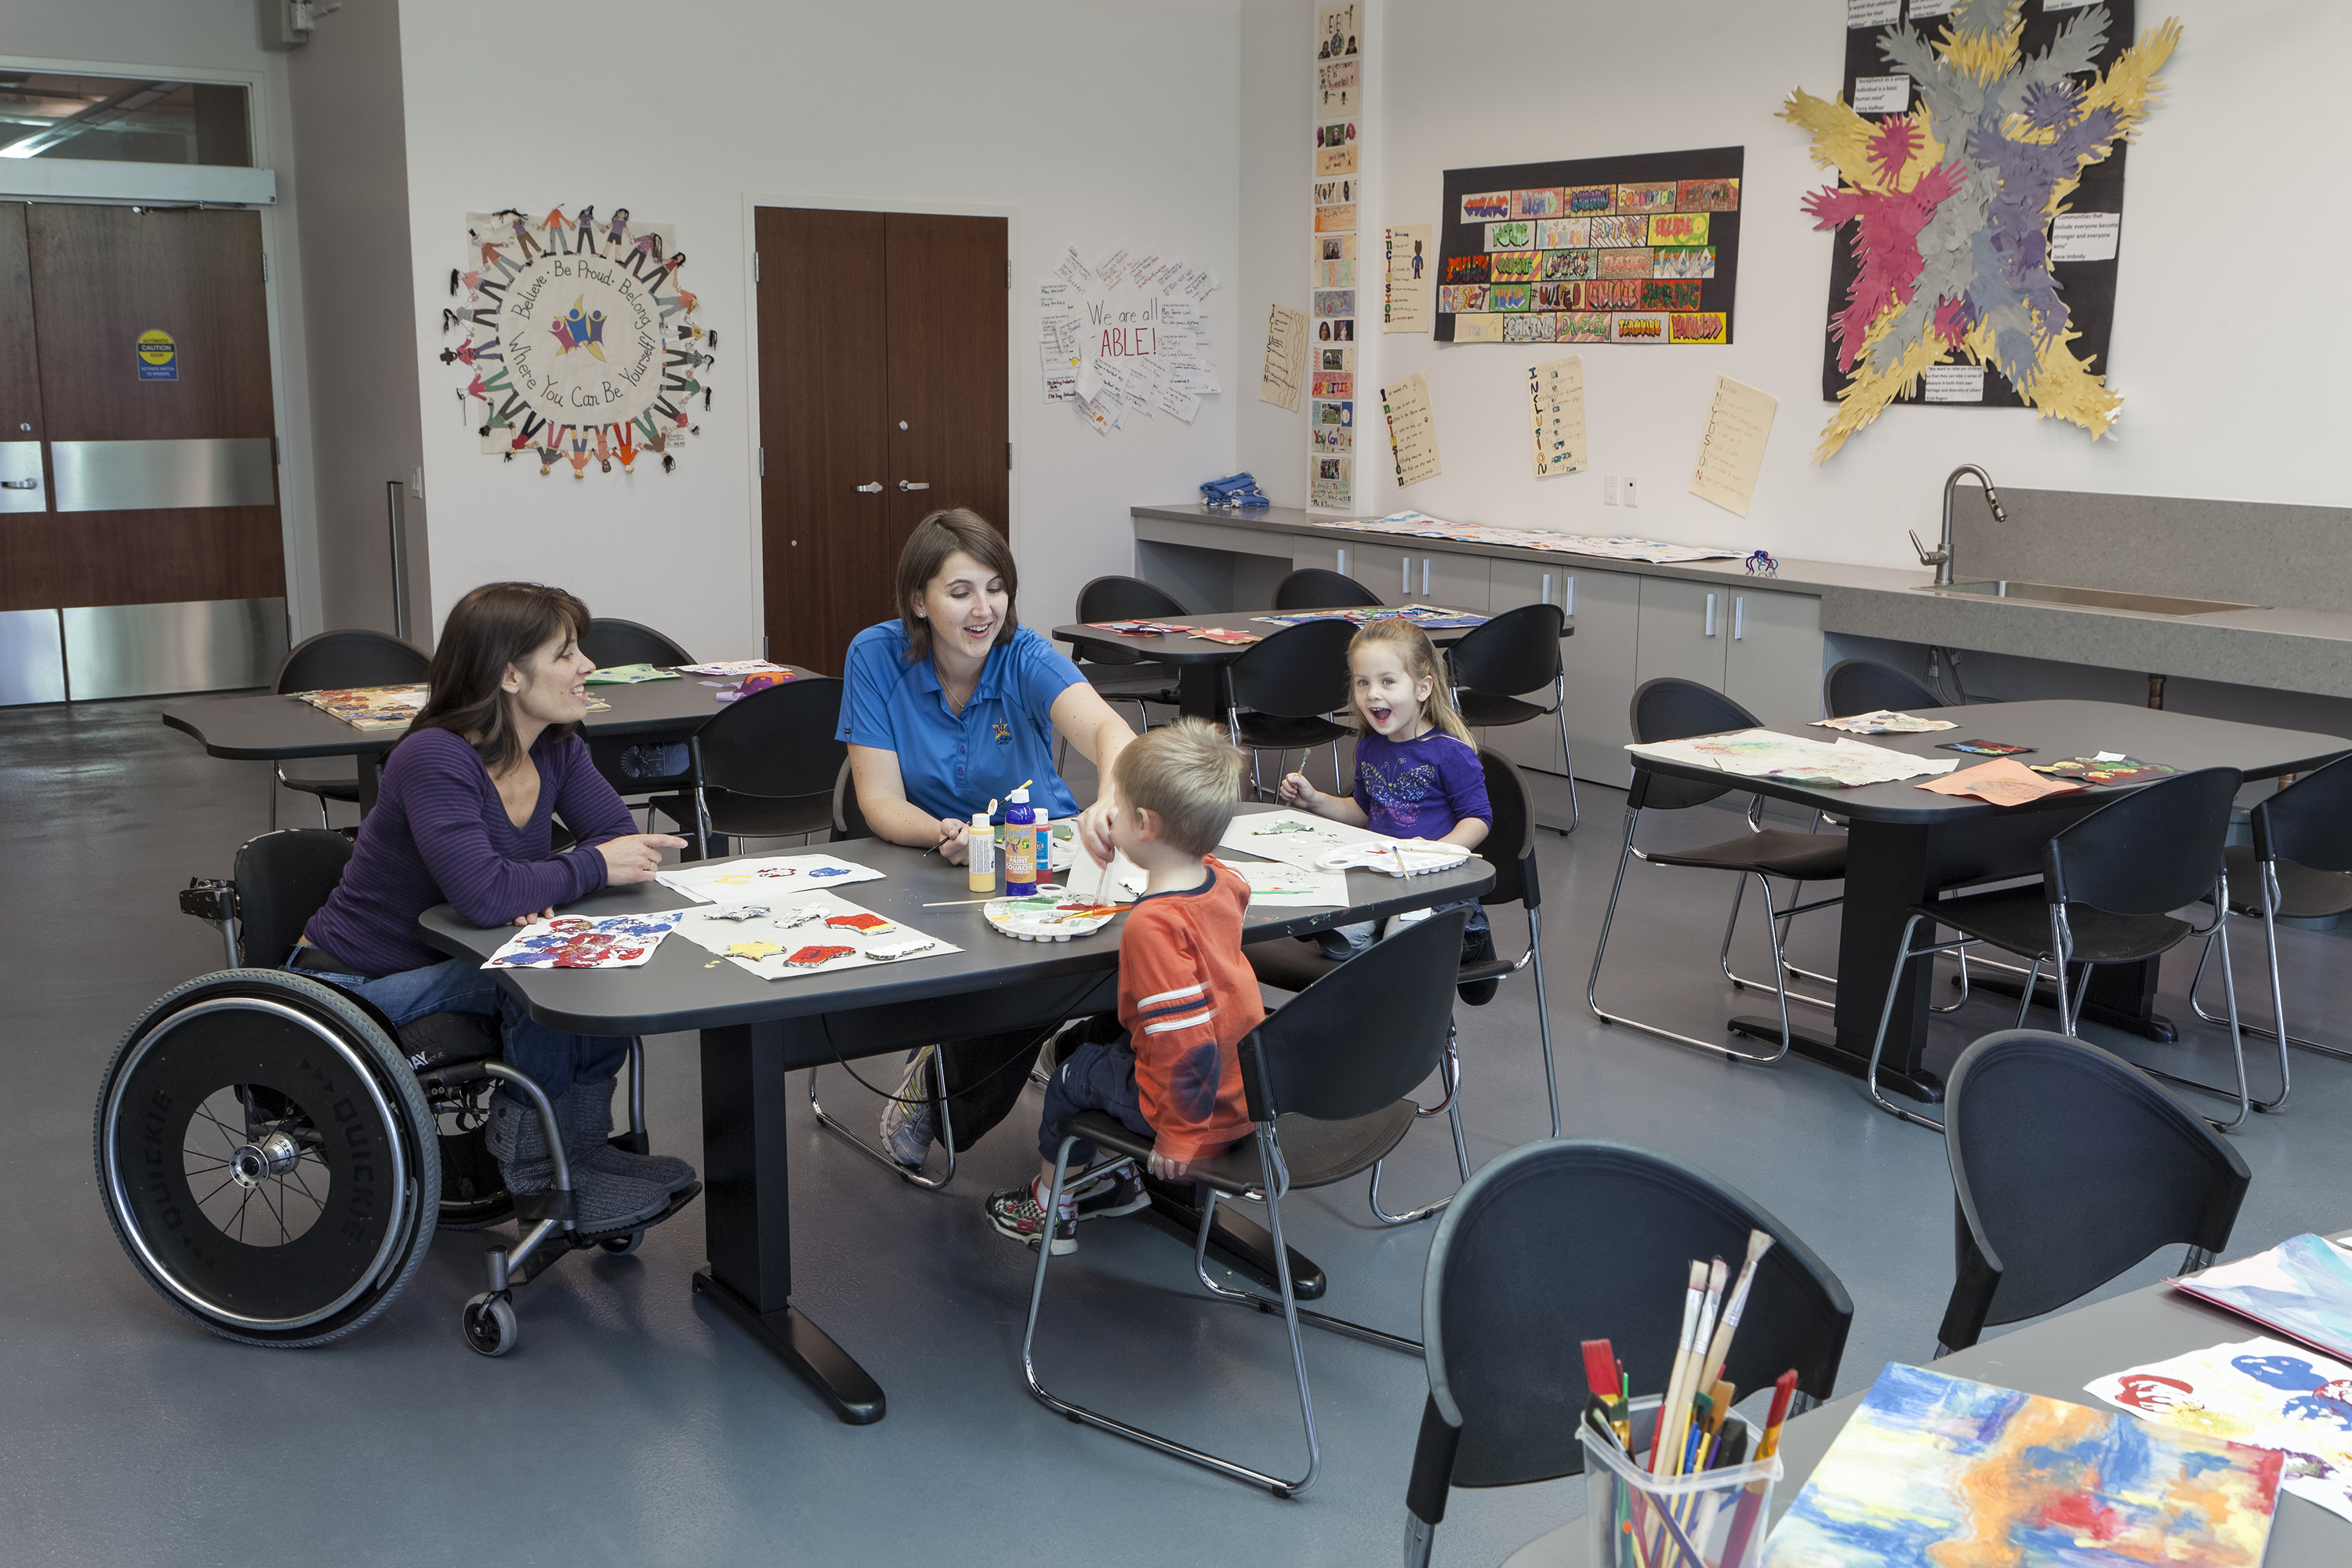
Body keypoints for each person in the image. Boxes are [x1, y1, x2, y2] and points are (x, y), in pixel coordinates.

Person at [296, 582, 695, 1230]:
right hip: (357, 989)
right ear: (510, 674)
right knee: (539, 969)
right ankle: (538, 1176)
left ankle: (585, 1153)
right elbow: (488, 895)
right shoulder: (434, 757)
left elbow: (615, 841)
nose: (587, 667)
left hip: (456, 958)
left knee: (597, 958)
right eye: (566, 653)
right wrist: (572, 872)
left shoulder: (558, 744)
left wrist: (536, 881)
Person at [837, 507, 1139, 1164]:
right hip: (932, 863)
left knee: (1138, 953)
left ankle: (1089, 1077)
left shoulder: (1023, 656)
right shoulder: (875, 654)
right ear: (918, 601)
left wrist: (1110, 802)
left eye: (996, 587)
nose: (985, 609)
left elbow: (1112, 734)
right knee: (1022, 976)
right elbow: (880, 802)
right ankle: (941, 1093)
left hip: (1041, 850)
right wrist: (943, 831)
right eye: (961, 591)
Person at [985, 720, 1258, 1254]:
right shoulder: (1223, 882)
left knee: (1072, 1075)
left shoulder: (1152, 926)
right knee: (1109, 1043)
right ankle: (1112, 1177)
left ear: (1145, 823)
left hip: (1197, 1110)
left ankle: (1051, 1208)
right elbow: (1209, 860)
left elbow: (1185, 1039)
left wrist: (1180, 1135)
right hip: (1246, 1088)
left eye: (1119, 805)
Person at [1278, 618, 1497, 985]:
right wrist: (1315, 801)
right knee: (1338, 941)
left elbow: (1479, 819)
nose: (1372, 694)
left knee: (1401, 948)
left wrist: (1435, 853)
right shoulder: (1371, 746)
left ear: (1423, 688)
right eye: (1363, 682)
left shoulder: (1450, 753)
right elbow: (1364, 811)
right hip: (1381, 877)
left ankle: (1471, 932)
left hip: (1435, 881)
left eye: (1388, 682)